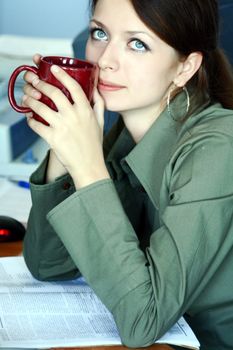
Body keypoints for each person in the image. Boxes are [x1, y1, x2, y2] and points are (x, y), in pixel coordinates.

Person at [22, 0, 233, 349]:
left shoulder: (219, 147)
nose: (104, 60)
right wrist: (62, 144)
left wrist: (87, 165)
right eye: (99, 33)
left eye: (137, 43)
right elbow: (48, 265)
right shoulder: (122, 138)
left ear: (186, 67)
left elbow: (142, 321)